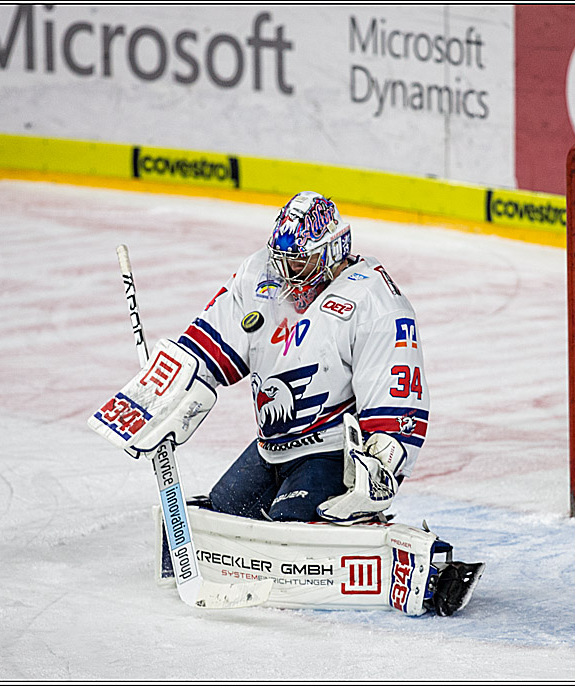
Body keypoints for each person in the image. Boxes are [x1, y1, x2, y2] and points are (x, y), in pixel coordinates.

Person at [177, 191, 430, 524]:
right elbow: (207, 347)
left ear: (333, 251)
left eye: (298, 262)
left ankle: (364, 534)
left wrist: (378, 468)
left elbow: (396, 399)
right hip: (271, 450)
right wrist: (166, 393)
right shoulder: (259, 275)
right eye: (281, 259)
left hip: (332, 453)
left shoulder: (374, 300)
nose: (285, 271)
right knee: (211, 523)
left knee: (290, 533)